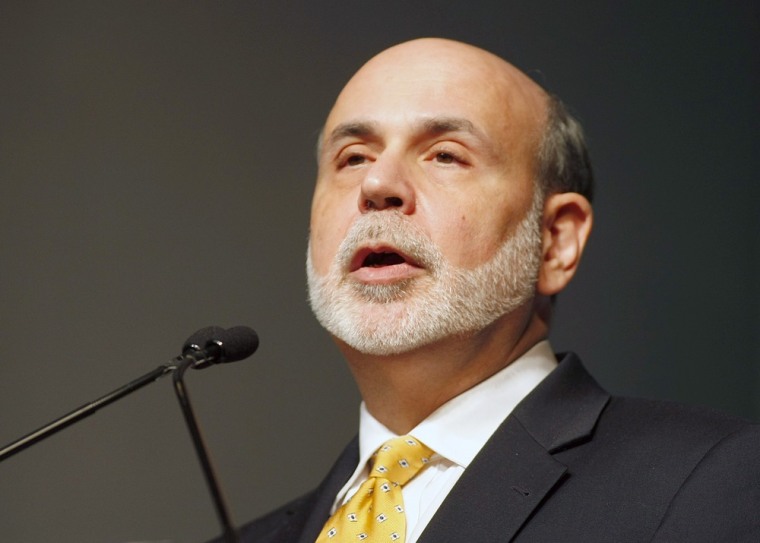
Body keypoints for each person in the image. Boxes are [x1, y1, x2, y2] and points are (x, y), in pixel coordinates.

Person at [227, 38, 760, 542]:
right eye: (353, 158)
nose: (377, 185)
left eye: (445, 155)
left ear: (554, 241)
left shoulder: (716, 483)